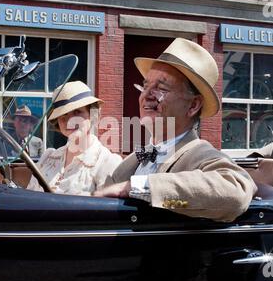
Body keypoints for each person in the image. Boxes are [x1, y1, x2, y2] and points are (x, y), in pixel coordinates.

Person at [94, 38, 257, 222]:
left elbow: (236, 192)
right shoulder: (131, 162)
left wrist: (137, 187)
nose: (146, 96)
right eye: (145, 86)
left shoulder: (201, 153)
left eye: (161, 88)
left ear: (193, 105)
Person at [27, 81, 122, 195]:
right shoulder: (48, 157)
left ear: (93, 116)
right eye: (63, 115)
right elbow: (28, 197)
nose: (70, 121)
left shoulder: (106, 162)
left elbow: (106, 210)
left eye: (77, 112)